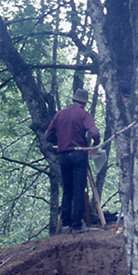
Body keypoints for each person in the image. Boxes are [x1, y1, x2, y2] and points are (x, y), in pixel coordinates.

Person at [43, 88, 101, 233]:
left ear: (74, 99)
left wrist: (61, 140)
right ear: (84, 102)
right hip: (78, 154)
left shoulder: (60, 114)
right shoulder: (83, 114)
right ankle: (77, 226)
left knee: (67, 191)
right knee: (79, 189)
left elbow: (47, 136)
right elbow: (94, 132)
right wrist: (96, 143)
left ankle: (65, 225)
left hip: (63, 155)